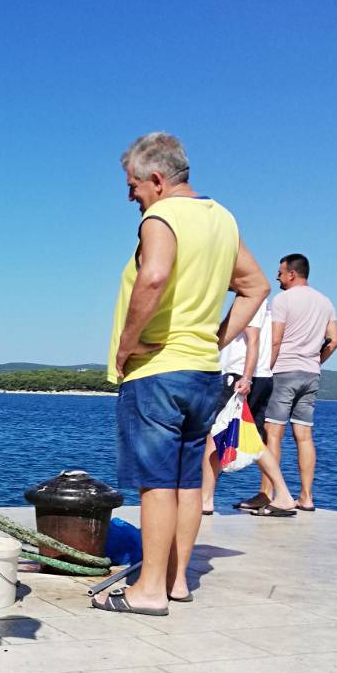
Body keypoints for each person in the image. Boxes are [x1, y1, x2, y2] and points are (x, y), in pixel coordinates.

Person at [94, 132, 269, 616]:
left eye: (133, 185)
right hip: (201, 374)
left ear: (156, 178)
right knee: (187, 481)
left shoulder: (162, 216)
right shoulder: (222, 218)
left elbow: (153, 277)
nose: (130, 195)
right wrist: (215, 339)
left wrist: (128, 345)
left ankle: (147, 591)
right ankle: (175, 582)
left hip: (158, 372)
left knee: (156, 483)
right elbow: (256, 287)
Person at [201, 298, 298, 516]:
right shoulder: (259, 302)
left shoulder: (250, 299)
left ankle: (205, 499)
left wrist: (246, 378)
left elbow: (252, 339)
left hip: (241, 377)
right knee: (250, 439)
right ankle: (283, 493)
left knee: (214, 435)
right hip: (258, 376)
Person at [260, 254, 337, 511]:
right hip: (311, 373)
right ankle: (306, 497)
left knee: (273, 434)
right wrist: (316, 362)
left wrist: (266, 369)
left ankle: (268, 495)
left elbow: (275, 339)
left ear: (292, 274)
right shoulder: (325, 301)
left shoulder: (282, 300)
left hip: (284, 370)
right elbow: (334, 340)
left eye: (280, 273)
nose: (277, 277)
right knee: (304, 435)